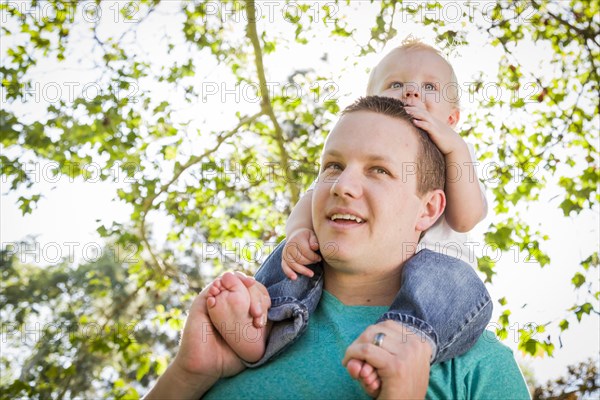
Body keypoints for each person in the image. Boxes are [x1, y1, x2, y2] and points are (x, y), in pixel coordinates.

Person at [145, 96, 530, 399]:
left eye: (379, 170)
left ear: (428, 209)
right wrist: (187, 376)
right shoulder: (245, 327)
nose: (342, 186)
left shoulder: (479, 368)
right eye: (332, 166)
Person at [206, 39, 492, 392]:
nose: (411, 93)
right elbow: (311, 201)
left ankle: (408, 333)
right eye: (396, 84)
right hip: (343, 258)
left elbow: (465, 219)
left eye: (429, 87)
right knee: (294, 255)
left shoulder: (456, 157)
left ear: (452, 118)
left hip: (439, 287)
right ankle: (265, 321)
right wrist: (297, 234)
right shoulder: (349, 163)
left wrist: (455, 146)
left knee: (455, 279)